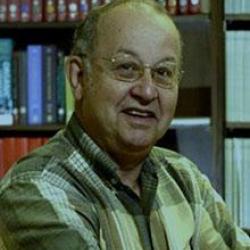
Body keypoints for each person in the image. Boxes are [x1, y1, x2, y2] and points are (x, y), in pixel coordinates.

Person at [0, 0, 250, 249]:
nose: (147, 91)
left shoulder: (185, 179)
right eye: (127, 68)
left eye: (163, 72)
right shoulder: (35, 188)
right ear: (78, 77)